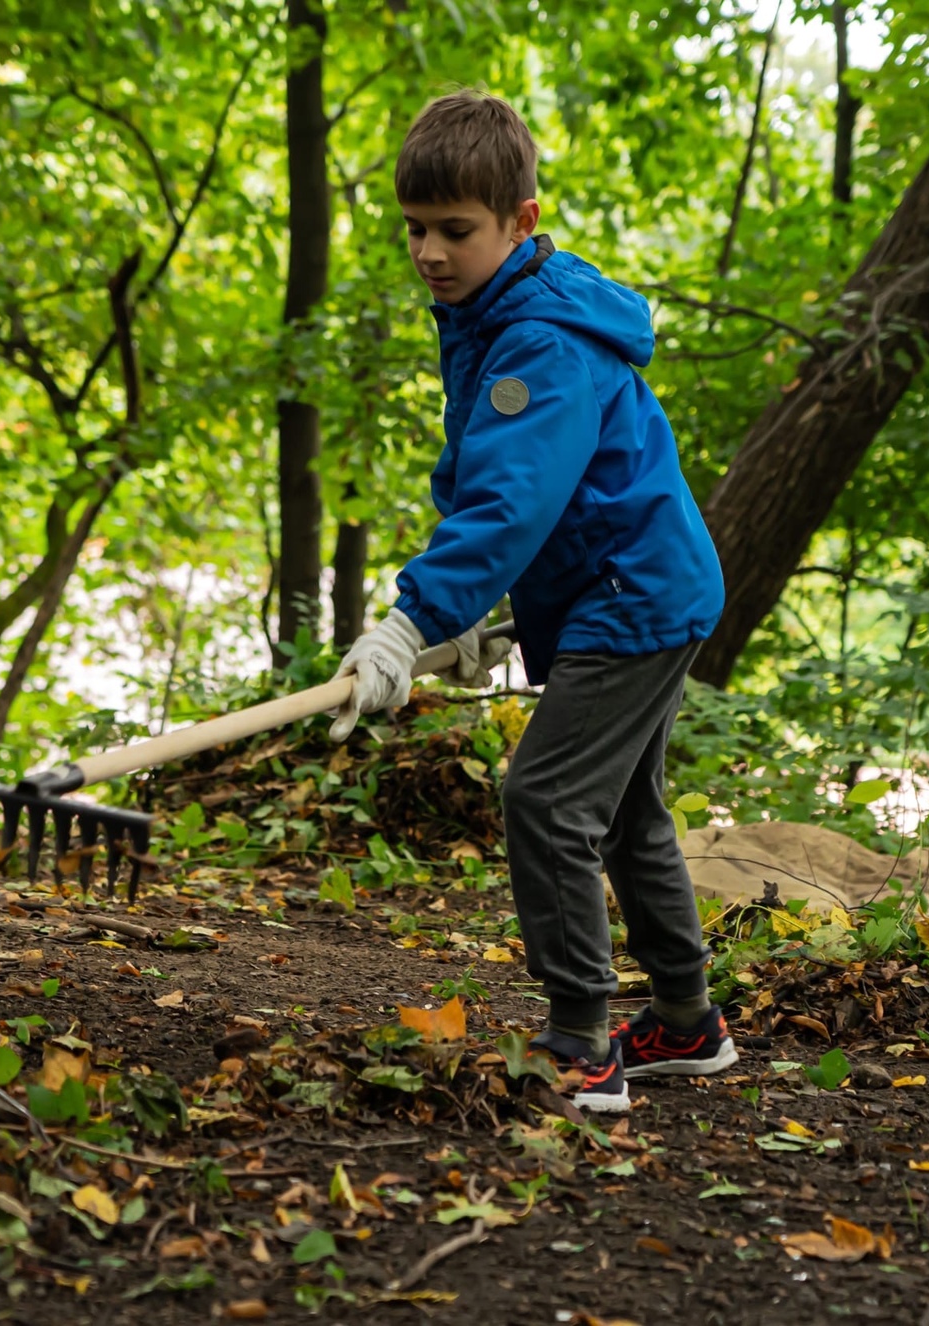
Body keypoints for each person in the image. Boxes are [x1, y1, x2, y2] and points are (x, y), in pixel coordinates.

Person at [327, 90, 736, 1113]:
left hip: (628, 597)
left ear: (519, 220)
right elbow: (485, 481)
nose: (429, 251)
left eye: (454, 231)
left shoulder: (539, 341)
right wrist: (468, 617)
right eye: (414, 229)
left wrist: (415, 617)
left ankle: (581, 1044)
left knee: (544, 800)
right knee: (624, 808)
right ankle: (684, 1025)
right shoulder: (494, 313)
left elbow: (508, 507)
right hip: (638, 587)